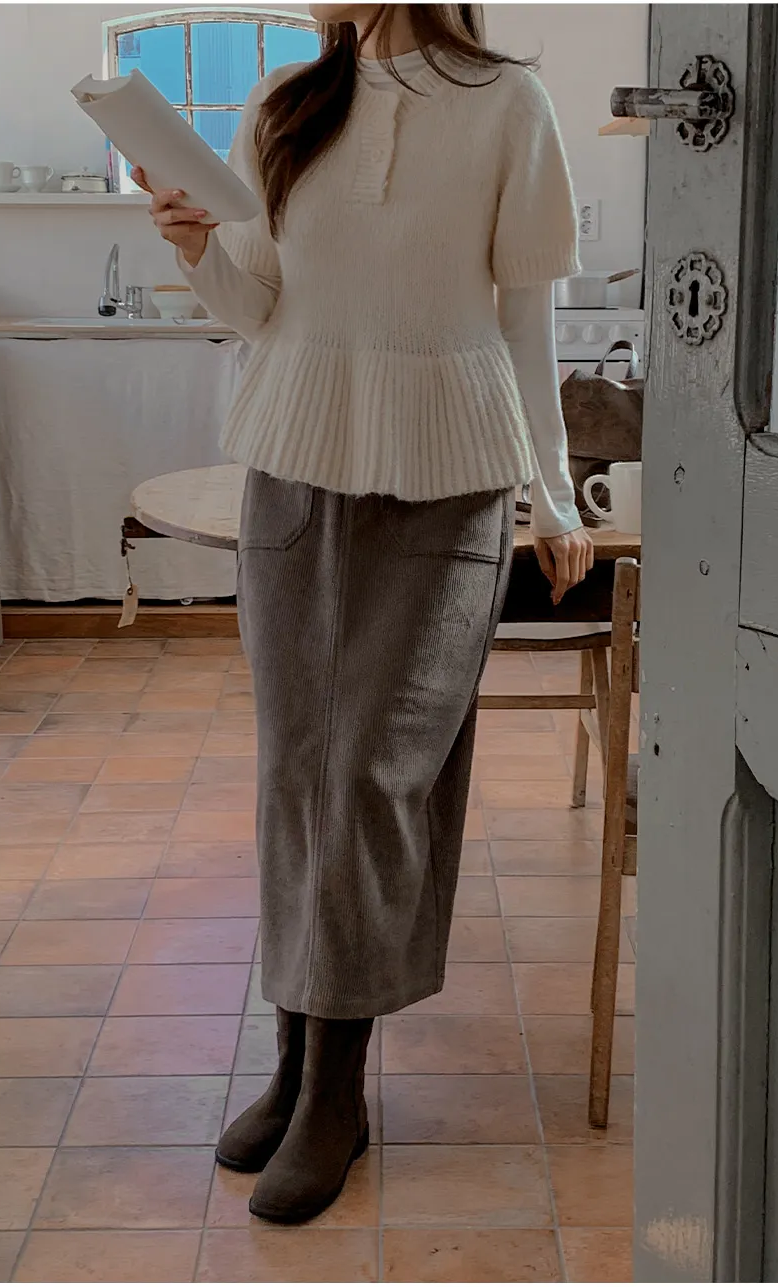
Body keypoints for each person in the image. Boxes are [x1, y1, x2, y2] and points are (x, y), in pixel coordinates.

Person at [136, 1, 593, 1226]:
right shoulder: (282, 103)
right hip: (294, 465)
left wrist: (553, 498)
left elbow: (524, 321)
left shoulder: (507, 105)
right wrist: (194, 247)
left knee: (374, 776)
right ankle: (293, 1064)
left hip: (449, 476)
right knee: (299, 768)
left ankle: (337, 1082)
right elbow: (259, 307)